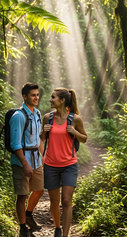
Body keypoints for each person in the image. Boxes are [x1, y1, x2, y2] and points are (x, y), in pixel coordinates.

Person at [41, 88, 88, 237]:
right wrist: (44, 132)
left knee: (66, 200)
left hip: (69, 164)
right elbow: (42, 139)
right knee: (54, 202)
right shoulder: (47, 118)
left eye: (53, 97)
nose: (50, 100)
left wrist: (74, 132)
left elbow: (84, 138)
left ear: (62, 100)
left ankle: (65, 235)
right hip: (51, 165)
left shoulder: (75, 119)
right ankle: (57, 228)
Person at [10, 82, 44, 237]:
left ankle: (29, 215)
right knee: (22, 195)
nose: (36, 97)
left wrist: (43, 158)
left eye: (37, 95)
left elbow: (37, 140)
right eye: (33, 95)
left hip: (36, 160)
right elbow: (15, 144)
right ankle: (22, 227)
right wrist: (25, 165)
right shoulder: (18, 116)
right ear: (24, 97)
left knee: (39, 190)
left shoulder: (37, 113)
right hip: (22, 162)